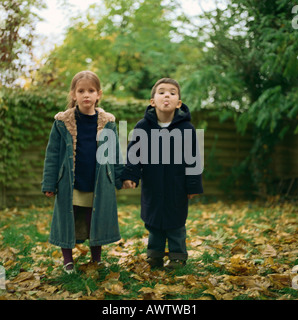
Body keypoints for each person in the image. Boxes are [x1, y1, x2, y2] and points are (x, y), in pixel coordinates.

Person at [42, 71, 123, 274]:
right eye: (81, 91)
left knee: (94, 220)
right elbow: (52, 155)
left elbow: (115, 154)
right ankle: (68, 261)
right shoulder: (62, 123)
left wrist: (121, 178)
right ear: (73, 94)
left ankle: (96, 259)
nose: (86, 94)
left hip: (98, 183)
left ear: (98, 95)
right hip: (71, 182)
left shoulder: (108, 123)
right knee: (68, 221)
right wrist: (49, 183)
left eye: (91, 90)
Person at [122, 78, 203, 269]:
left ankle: (177, 257)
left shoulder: (186, 129)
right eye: (162, 92)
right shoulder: (143, 127)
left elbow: (193, 160)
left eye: (172, 93)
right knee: (153, 221)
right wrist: (130, 176)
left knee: (176, 223)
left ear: (179, 103)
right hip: (153, 184)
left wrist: (192, 186)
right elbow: (134, 154)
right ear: (153, 101)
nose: (167, 95)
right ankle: (154, 255)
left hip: (177, 185)